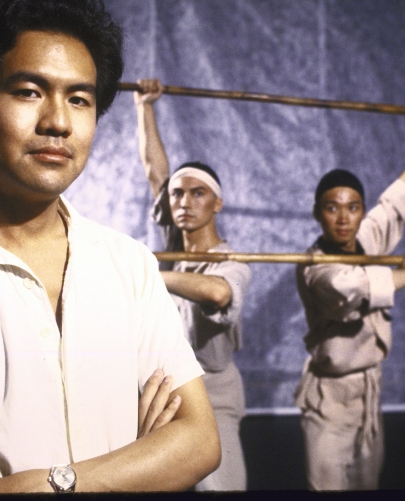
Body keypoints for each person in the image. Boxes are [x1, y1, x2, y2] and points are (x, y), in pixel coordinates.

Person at [0, 0, 220, 494]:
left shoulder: (129, 265)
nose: (58, 122)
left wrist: (26, 484)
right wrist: (137, 463)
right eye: (28, 91)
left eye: (79, 99)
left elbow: (198, 443)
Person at [294, 103, 405, 490]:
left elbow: (403, 191)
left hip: (370, 391)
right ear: (317, 213)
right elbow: (349, 290)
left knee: (368, 487)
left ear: (360, 212)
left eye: (353, 208)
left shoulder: (368, 239)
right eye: (332, 208)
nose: (343, 218)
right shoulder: (314, 267)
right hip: (328, 402)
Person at [134, 79, 251, 491]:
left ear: (216, 202)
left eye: (197, 194)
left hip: (214, 391)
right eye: (178, 195)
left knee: (224, 490)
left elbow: (219, 293)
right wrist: (144, 106)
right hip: (164, 390)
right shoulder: (171, 241)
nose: (184, 202)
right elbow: (156, 173)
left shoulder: (231, 261)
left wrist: (149, 273)